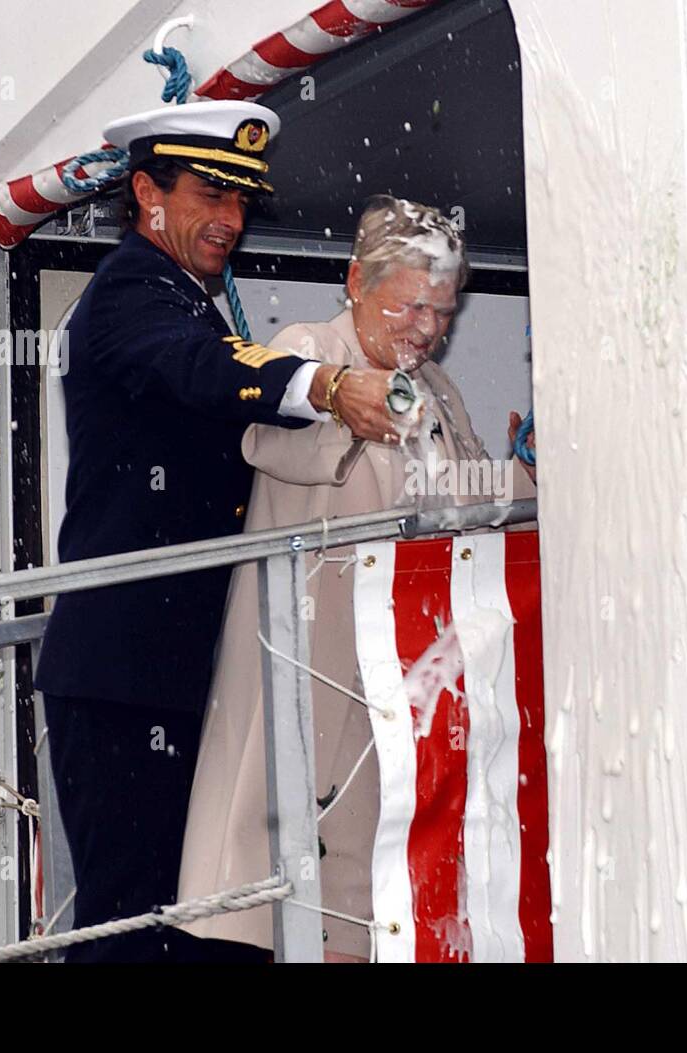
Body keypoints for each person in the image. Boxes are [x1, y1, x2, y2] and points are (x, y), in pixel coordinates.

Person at [33, 102, 409, 963]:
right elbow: (209, 372)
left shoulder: (187, 302)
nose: (232, 221)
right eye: (211, 194)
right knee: (132, 925)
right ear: (145, 193)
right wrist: (323, 383)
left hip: (178, 670)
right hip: (128, 671)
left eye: (243, 202)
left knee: (196, 923)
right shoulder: (132, 292)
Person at [176, 195, 536, 961]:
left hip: (400, 672)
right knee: (308, 882)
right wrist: (348, 399)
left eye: (443, 310)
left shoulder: (437, 388)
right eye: (409, 305)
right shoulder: (312, 347)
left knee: (374, 891)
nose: (427, 327)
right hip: (315, 660)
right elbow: (268, 440)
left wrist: (533, 474)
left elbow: (459, 493)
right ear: (355, 283)